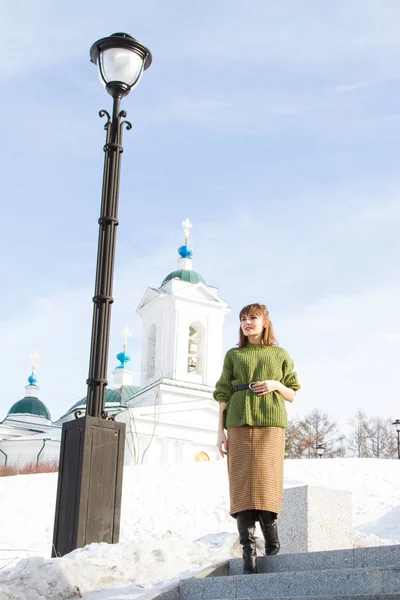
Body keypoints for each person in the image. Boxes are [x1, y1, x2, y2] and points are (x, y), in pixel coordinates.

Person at [213, 303, 300, 574]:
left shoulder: (279, 354)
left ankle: (272, 545)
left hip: (270, 424)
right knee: (240, 486)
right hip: (238, 423)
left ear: (265, 321)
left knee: (266, 483)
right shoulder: (234, 355)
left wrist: (274, 385)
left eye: (252, 317)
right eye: (242, 319)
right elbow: (223, 393)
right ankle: (248, 549)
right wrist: (220, 431)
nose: (246, 322)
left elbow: (292, 392)